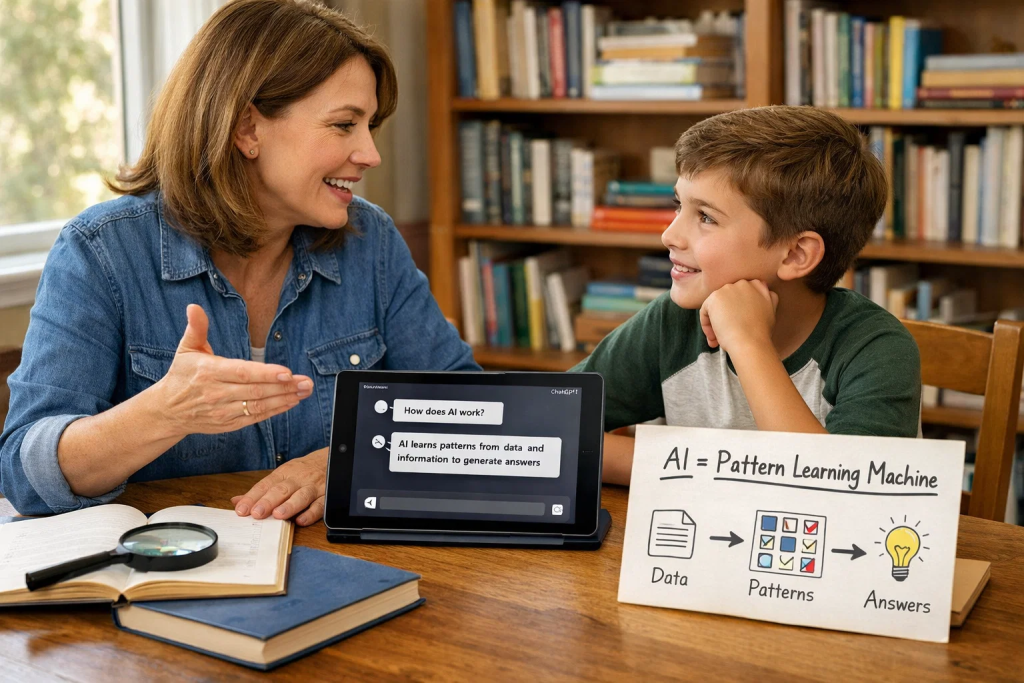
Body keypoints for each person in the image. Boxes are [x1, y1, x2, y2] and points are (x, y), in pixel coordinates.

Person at [0, 0, 479, 521]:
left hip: (340, 568)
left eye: (370, 126)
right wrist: (165, 412)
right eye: (344, 125)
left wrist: (348, 460)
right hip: (175, 578)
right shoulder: (101, 252)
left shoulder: (371, 241)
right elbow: (24, 474)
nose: (370, 153)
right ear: (247, 129)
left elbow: (469, 410)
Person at [572, 106, 921, 485]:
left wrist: (748, 342)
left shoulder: (878, 350)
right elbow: (545, 428)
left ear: (795, 254)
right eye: (679, 205)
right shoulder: (672, 323)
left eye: (705, 217)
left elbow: (835, 495)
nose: (669, 235)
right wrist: (708, 466)